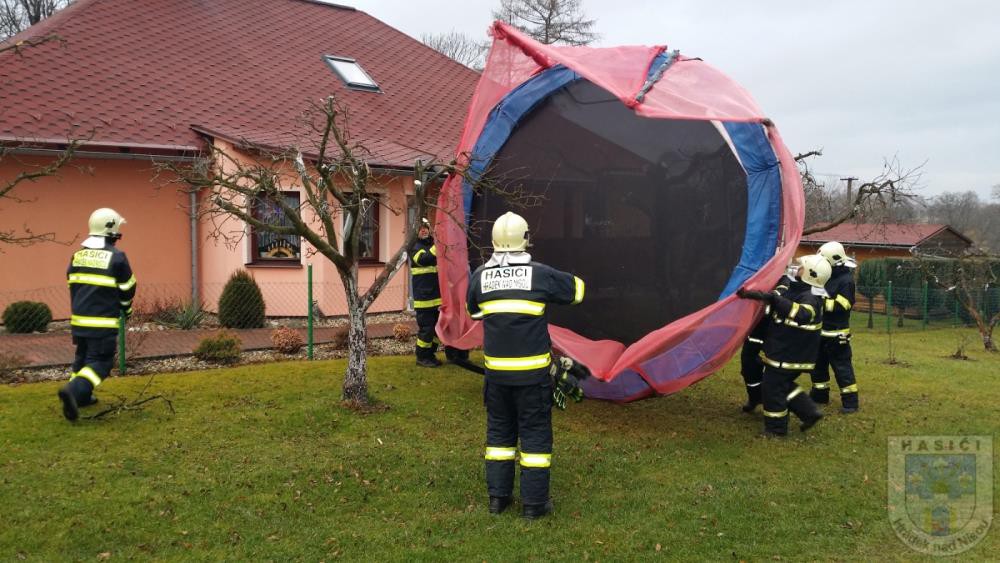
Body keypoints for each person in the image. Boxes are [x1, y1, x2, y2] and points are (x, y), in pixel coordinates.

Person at [467, 211, 585, 519]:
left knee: (499, 437)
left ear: (493, 241)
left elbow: (474, 311)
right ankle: (534, 505)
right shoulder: (540, 274)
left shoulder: (480, 276)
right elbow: (577, 291)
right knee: (534, 439)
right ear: (525, 239)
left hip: (496, 378)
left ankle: (498, 499)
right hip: (533, 378)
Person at [58, 208, 137, 421]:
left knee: (83, 359)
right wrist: (126, 309)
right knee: (101, 363)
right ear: (111, 230)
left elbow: (73, 284)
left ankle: (81, 398)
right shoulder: (117, 258)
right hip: (102, 323)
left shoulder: (78, 256)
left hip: (80, 323)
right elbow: (127, 288)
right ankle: (73, 392)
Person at [737, 254, 829, 437]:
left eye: (801, 267)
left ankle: (776, 429)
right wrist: (759, 295)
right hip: (786, 352)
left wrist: (775, 300)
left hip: (789, 354)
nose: (798, 269)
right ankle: (809, 412)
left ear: (810, 273)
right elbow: (780, 294)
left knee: (772, 389)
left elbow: (803, 313)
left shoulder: (811, 297)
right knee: (782, 385)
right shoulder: (801, 289)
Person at [811, 241, 859, 413]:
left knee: (842, 369)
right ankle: (819, 395)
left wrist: (819, 303)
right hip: (820, 332)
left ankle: (850, 402)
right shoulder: (826, 276)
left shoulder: (846, 280)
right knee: (818, 366)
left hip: (837, 335)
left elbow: (844, 305)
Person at [738, 275, 791, 413]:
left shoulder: (784, 281)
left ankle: (777, 403)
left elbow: (773, 296)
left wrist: (748, 294)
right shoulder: (758, 277)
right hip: (754, 335)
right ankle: (754, 398)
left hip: (771, 338)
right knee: (748, 368)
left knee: (771, 374)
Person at [410, 218, 444, 367]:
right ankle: (422, 357)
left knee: (437, 329)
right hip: (423, 298)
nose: (423, 230)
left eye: (425, 227)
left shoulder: (431, 245)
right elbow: (424, 259)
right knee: (427, 329)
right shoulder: (413, 246)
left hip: (437, 297)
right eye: (420, 228)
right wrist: (437, 247)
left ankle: (430, 355)